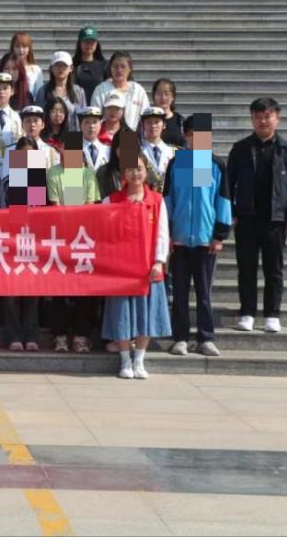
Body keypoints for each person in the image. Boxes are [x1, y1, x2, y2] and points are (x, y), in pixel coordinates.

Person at [227, 97, 287, 333]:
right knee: (246, 268)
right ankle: (247, 313)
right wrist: (230, 212)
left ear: (277, 118)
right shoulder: (240, 148)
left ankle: (272, 314)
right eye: (258, 117)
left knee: (274, 270)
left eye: (267, 116)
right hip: (247, 217)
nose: (263, 121)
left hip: (276, 219)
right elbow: (228, 183)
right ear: (252, 119)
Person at [164, 114, 232, 357]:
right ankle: (180, 337)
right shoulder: (178, 163)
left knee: (204, 294)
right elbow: (169, 199)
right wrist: (168, 233)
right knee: (180, 293)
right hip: (180, 239)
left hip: (205, 240)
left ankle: (205, 337)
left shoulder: (215, 164)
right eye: (193, 135)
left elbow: (222, 201)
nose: (197, 139)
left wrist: (219, 235)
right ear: (186, 136)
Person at [102, 154, 171, 380]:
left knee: (146, 315)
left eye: (139, 168)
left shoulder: (157, 200)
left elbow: (162, 233)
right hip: (121, 269)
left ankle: (139, 359)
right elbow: (103, 234)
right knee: (121, 313)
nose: (135, 173)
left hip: (148, 268)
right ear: (123, 174)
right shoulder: (111, 200)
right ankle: (124, 359)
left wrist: (159, 261)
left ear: (146, 171)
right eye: (130, 169)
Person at [46, 132, 101, 352]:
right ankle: (60, 335)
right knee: (60, 289)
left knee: (84, 290)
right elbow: (56, 206)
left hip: (83, 239)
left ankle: (81, 335)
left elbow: (90, 206)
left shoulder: (88, 174)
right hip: (60, 238)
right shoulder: (54, 172)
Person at [0, 138, 42, 351]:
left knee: (32, 292)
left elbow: (40, 213)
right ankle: (13, 335)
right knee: (11, 292)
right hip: (11, 241)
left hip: (35, 242)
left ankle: (31, 335)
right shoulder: (8, 181)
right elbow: (10, 211)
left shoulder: (40, 181)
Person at [90, 51, 149, 131]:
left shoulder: (138, 90)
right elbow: (95, 116)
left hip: (132, 134)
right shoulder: (101, 89)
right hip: (106, 134)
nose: (119, 70)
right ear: (110, 68)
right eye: (115, 66)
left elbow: (145, 116)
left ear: (130, 69)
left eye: (123, 66)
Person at [35, 51, 86, 130]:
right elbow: (38, 116)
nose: (60, 69)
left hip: (73, 134)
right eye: (57, 65)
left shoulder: (78, 91)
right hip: (48, 134)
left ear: (71, 68)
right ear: (51, 68)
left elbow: (83, 117)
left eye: (64, 66)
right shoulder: (43, 91)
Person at [139, 106, 176, 193]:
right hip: (144, 198)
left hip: (169, 199)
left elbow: (183, 184)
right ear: (143, 125)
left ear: (164, 125)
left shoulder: (176, 151)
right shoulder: (134, 151)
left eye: (157, 122)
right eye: (149, 122)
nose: (153, 125)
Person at [71, 25, 107, 102]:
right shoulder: (71, 65)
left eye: (92, 42)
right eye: (85, 41)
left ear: (97, 44)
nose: (89, 45)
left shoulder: (104, 66)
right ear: (79, 43)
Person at [20, 104, 59, 169]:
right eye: (28, 121)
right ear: (22, 125)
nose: (32, 124)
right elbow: (17, 175)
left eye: (36, 121)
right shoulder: (15, 149)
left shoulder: (50, 151)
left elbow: (56, 174)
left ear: (42, 125)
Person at [153, 78, 185, 148]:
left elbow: (199, 150)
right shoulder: (144, 121)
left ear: (173, 97)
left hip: (178, 155)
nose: (163, 98)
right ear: (154, 96)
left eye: (167, 94)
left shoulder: (181, 121)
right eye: (159, 94)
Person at [9, 31, 43, 100]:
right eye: (17, 46)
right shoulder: (7, 67)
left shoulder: (36, 70)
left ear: (29, 48)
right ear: (13, 48)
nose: (21, 50)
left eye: (24, 47)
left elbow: (38, 94)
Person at [77, 106, 110, 172]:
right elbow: (71, 177)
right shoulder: (72, 149)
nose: (91, 126)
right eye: (87, 122)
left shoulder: (108, 149)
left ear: (100, 125)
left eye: (95, 122)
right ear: (80, 125)